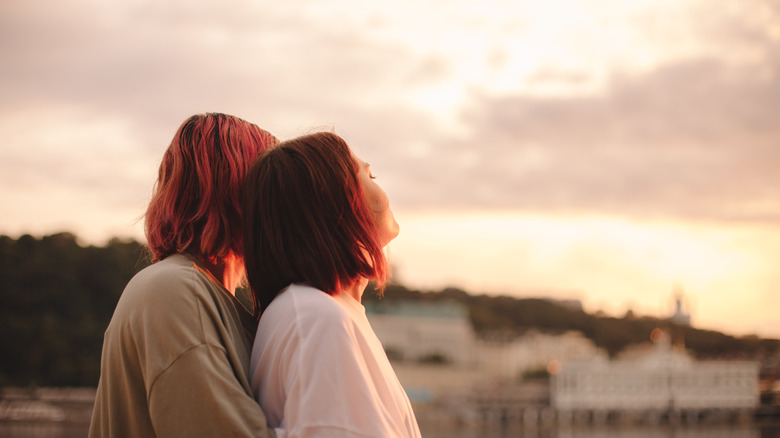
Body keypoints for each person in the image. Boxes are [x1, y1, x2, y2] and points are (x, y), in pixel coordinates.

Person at [89, 113, 279, 438]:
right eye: (274, 182)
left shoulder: (194, 292)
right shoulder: (177, 291)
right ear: (237, 192)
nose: (284, 200)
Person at [242, 131, 421, 438]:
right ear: (338, 200)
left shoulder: (317, 312)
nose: (381, 189)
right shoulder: (317, 319)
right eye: (368, 174)